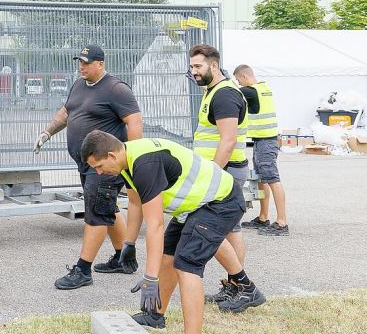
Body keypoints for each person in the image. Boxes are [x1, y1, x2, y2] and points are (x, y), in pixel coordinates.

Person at [83, 132, 265, 333]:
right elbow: (135, 203)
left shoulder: (144, 164)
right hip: (195, 205)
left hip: (220, 201)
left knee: (187, 264)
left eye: (98, 167)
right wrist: (129, 243)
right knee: (168, 255)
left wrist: (150, 278)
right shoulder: (127, 160)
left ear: (111, 155)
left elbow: (155, 225)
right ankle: (155, 316)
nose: (99, 173)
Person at [34, 44, 144, 290]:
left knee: (96, 212)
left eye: (86, 62)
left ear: (100, 64)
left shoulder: (116, 89)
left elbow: (134, 121)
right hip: (87, 164)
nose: (81, 66)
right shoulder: (79, 85)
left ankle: (83, 270)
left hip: (107, 165)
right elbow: (66, 112)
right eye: (79, 62)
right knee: (107, 208)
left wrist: (134, 158)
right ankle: (123, 258)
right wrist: (47, 132)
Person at [188, 44, 265, 311]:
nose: (193, 72)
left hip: (224, 172)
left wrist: (211, 175)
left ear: (213, 65)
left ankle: (243, 287)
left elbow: (228, 140)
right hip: (225, 171)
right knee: (232, 229)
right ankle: (235, 286)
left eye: (198, 66)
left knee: (210, 228)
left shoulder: (224, 95)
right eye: (191, 67)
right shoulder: (214, 92)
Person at [234, 65, 289, 236]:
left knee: (272, 179)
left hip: (266, 142)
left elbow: (231, 91)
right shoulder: (263, 87)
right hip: (263, 141)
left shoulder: (251, 91)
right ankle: (263, 217)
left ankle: (281, 222)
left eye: (238, 79)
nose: (238, 82)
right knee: (262, 179)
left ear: (244, 77)